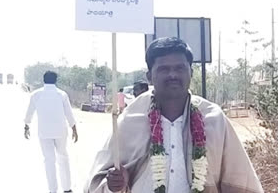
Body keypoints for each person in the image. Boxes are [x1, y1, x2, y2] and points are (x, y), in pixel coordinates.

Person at [84, 37, 263, 193]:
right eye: (163, 69)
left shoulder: (213, 119)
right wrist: (113, 184)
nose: (172, 75)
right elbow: (98, 183)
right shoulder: (130, 119)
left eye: (179, 68)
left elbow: (239, 178)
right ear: (149, 76)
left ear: (191, 73)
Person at [24, 71, 78, 193]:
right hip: (61, 132)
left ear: (43, 80)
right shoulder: (62, 94)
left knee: (49, 160)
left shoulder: (36, 95)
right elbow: (69, 113)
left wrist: (26, 126)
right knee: (63, 158)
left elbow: (29, 113)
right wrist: (74, 128)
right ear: (55, 80)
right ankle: (67, 188)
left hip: (44, 132)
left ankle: (52, 190)